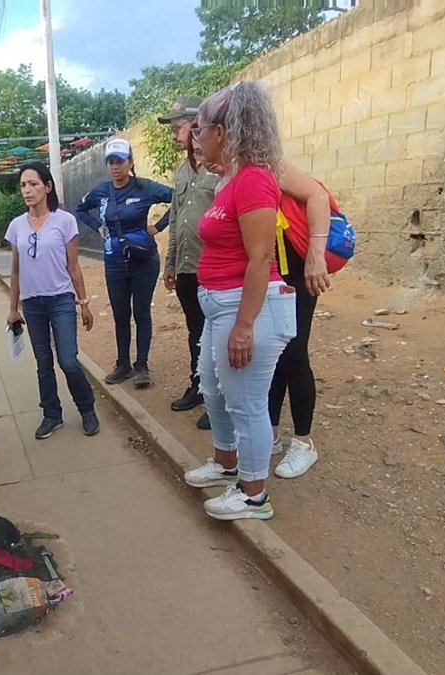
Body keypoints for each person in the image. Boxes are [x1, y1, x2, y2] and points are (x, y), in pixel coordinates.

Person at [180, 82, 296, 521]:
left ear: (224, 132)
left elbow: (260, 256)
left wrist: (245, 325)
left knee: (246, 402)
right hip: (219, 306)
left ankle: (253, 495)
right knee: (211, 385)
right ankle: (226, 463)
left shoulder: (254, 181)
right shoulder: (232, 179)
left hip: (243, 307)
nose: (197, 137)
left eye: (201, 129)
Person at [5, 162, 101, 440]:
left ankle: (87, 409)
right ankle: (51, 415)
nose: (27, 190)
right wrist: (13, 308)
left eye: (33, 184)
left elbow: (74, 267)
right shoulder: (17, 226)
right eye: (23, 185)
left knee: (68, 360)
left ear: (47, 187)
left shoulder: (65, 221)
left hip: (61, 300)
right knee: (43, 362)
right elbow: (15, 270)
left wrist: (83, 303)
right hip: (33, 305)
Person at [74, 138, 172, 388]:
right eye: (111, 162)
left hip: (143, 260)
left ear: (130, 162)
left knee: (141, 312)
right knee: (120, 314)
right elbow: (81, 209)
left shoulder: (145, 188)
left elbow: (178, 198)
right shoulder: (101, 191)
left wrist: (158, 227)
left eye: (120, 161)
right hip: (114, 260)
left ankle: (142, 365)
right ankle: (123, 364)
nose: (115, 167)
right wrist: (98, 227)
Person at [267, 162, 334, 479]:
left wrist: (316, 256)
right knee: (274, 353)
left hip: (297, 271)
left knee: (293, 353)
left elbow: (317, 195)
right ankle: (271, 433)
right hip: (271, 273)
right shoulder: (232, 173)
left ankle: (304, 443)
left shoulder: (270, 165)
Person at [159, 97, 219, 431]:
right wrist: (170, 262)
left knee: (216, 335)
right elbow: (178, 217)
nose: (173, 135)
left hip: (212, 270)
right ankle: (199, 387)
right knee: (195, 332)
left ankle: (218, 399)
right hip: (186, 268)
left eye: (177, 127)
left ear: (198, 124)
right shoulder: (183, 171)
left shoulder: (220, 167)